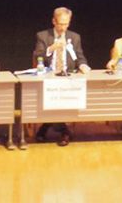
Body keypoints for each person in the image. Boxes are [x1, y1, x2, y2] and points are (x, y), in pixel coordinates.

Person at [32, 7, 90, 146]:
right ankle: (65, 131)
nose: (63, 27)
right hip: (48, 75)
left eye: (66, 24)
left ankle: (45, 127)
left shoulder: (74, 37)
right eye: (61, 24)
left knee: (66, 98)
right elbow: (37, 56)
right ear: (54, 21)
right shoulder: (43, 36)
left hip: (68, 76)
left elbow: (79, 57)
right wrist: (51, 48)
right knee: (54, 97)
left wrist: (83, 65)